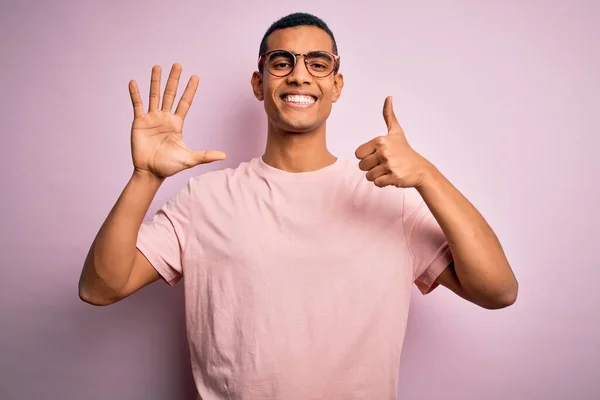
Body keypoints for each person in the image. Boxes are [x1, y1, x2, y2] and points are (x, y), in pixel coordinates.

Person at [78, 12, 518, 400]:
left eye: (318, 63)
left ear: (336, 84)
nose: (300, 75)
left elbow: (498, 291)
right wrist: (146, 177)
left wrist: (427, 176)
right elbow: (100, 288)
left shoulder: (389, 201)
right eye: (282, 62)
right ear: (260, 82)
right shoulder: (204, 200)